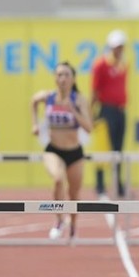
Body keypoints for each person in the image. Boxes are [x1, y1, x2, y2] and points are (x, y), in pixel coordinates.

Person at [31, 61, 92, 240]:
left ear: (73, 79)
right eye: (59, 75)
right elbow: (32, 102)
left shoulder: (79, 100)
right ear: (55, 79)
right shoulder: (47, 97)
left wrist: (73, 111)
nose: (63, 78)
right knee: (58, 179)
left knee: (74, 193)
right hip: (53, 149)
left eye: (66, 75)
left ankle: (73, 225)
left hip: (74, 152)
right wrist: (35, 124)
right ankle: (59, 220)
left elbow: (88, 128)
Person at [91, 29, 129, 198]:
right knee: (102, 149)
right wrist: (91, 113)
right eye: (116, 47)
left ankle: (118, 185)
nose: (119, 50)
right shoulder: (101, 64)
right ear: (110, 47)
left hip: (120, 111)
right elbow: (95, 90)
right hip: (106, 110)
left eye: (121, 46)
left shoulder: (123, 65)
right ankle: (100, 186)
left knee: (118, 150)